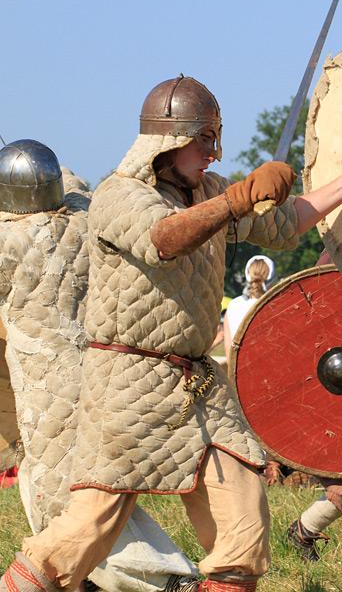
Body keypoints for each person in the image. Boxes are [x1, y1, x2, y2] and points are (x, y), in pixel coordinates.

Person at [0, 75, 342, 592]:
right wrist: (240, 198)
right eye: (203, 139)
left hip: (198, 384)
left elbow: (285, 222)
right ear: (168, 140)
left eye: (215, 138)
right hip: (129, 384)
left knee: (243, 515)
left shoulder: (211, 191)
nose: (213, 151)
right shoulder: (119, 195)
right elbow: (165, 238)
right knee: (90, 525)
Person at [0, 140, 199, 591]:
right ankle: (88, 581)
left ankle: (163, 579)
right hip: (104, 371)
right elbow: (74, 182)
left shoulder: (10, 244)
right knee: (84, 490)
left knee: (65, 501)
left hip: (48, 393)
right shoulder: (82, 219)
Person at [223, 255, 275, 370]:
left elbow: (229, 352)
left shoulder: (233, 306)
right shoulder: (278, 305)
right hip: (273, 371)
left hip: (241, 373)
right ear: (272, 278)